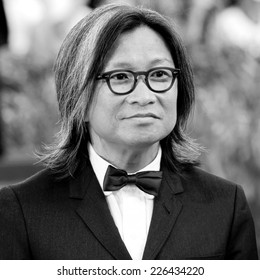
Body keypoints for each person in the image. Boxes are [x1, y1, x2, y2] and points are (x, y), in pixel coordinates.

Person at [0, 3, 258, 260]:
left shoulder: (225, 205)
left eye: (159, 74)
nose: (144, 96)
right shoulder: (22, 209)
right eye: (121, 77)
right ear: (77, 95)